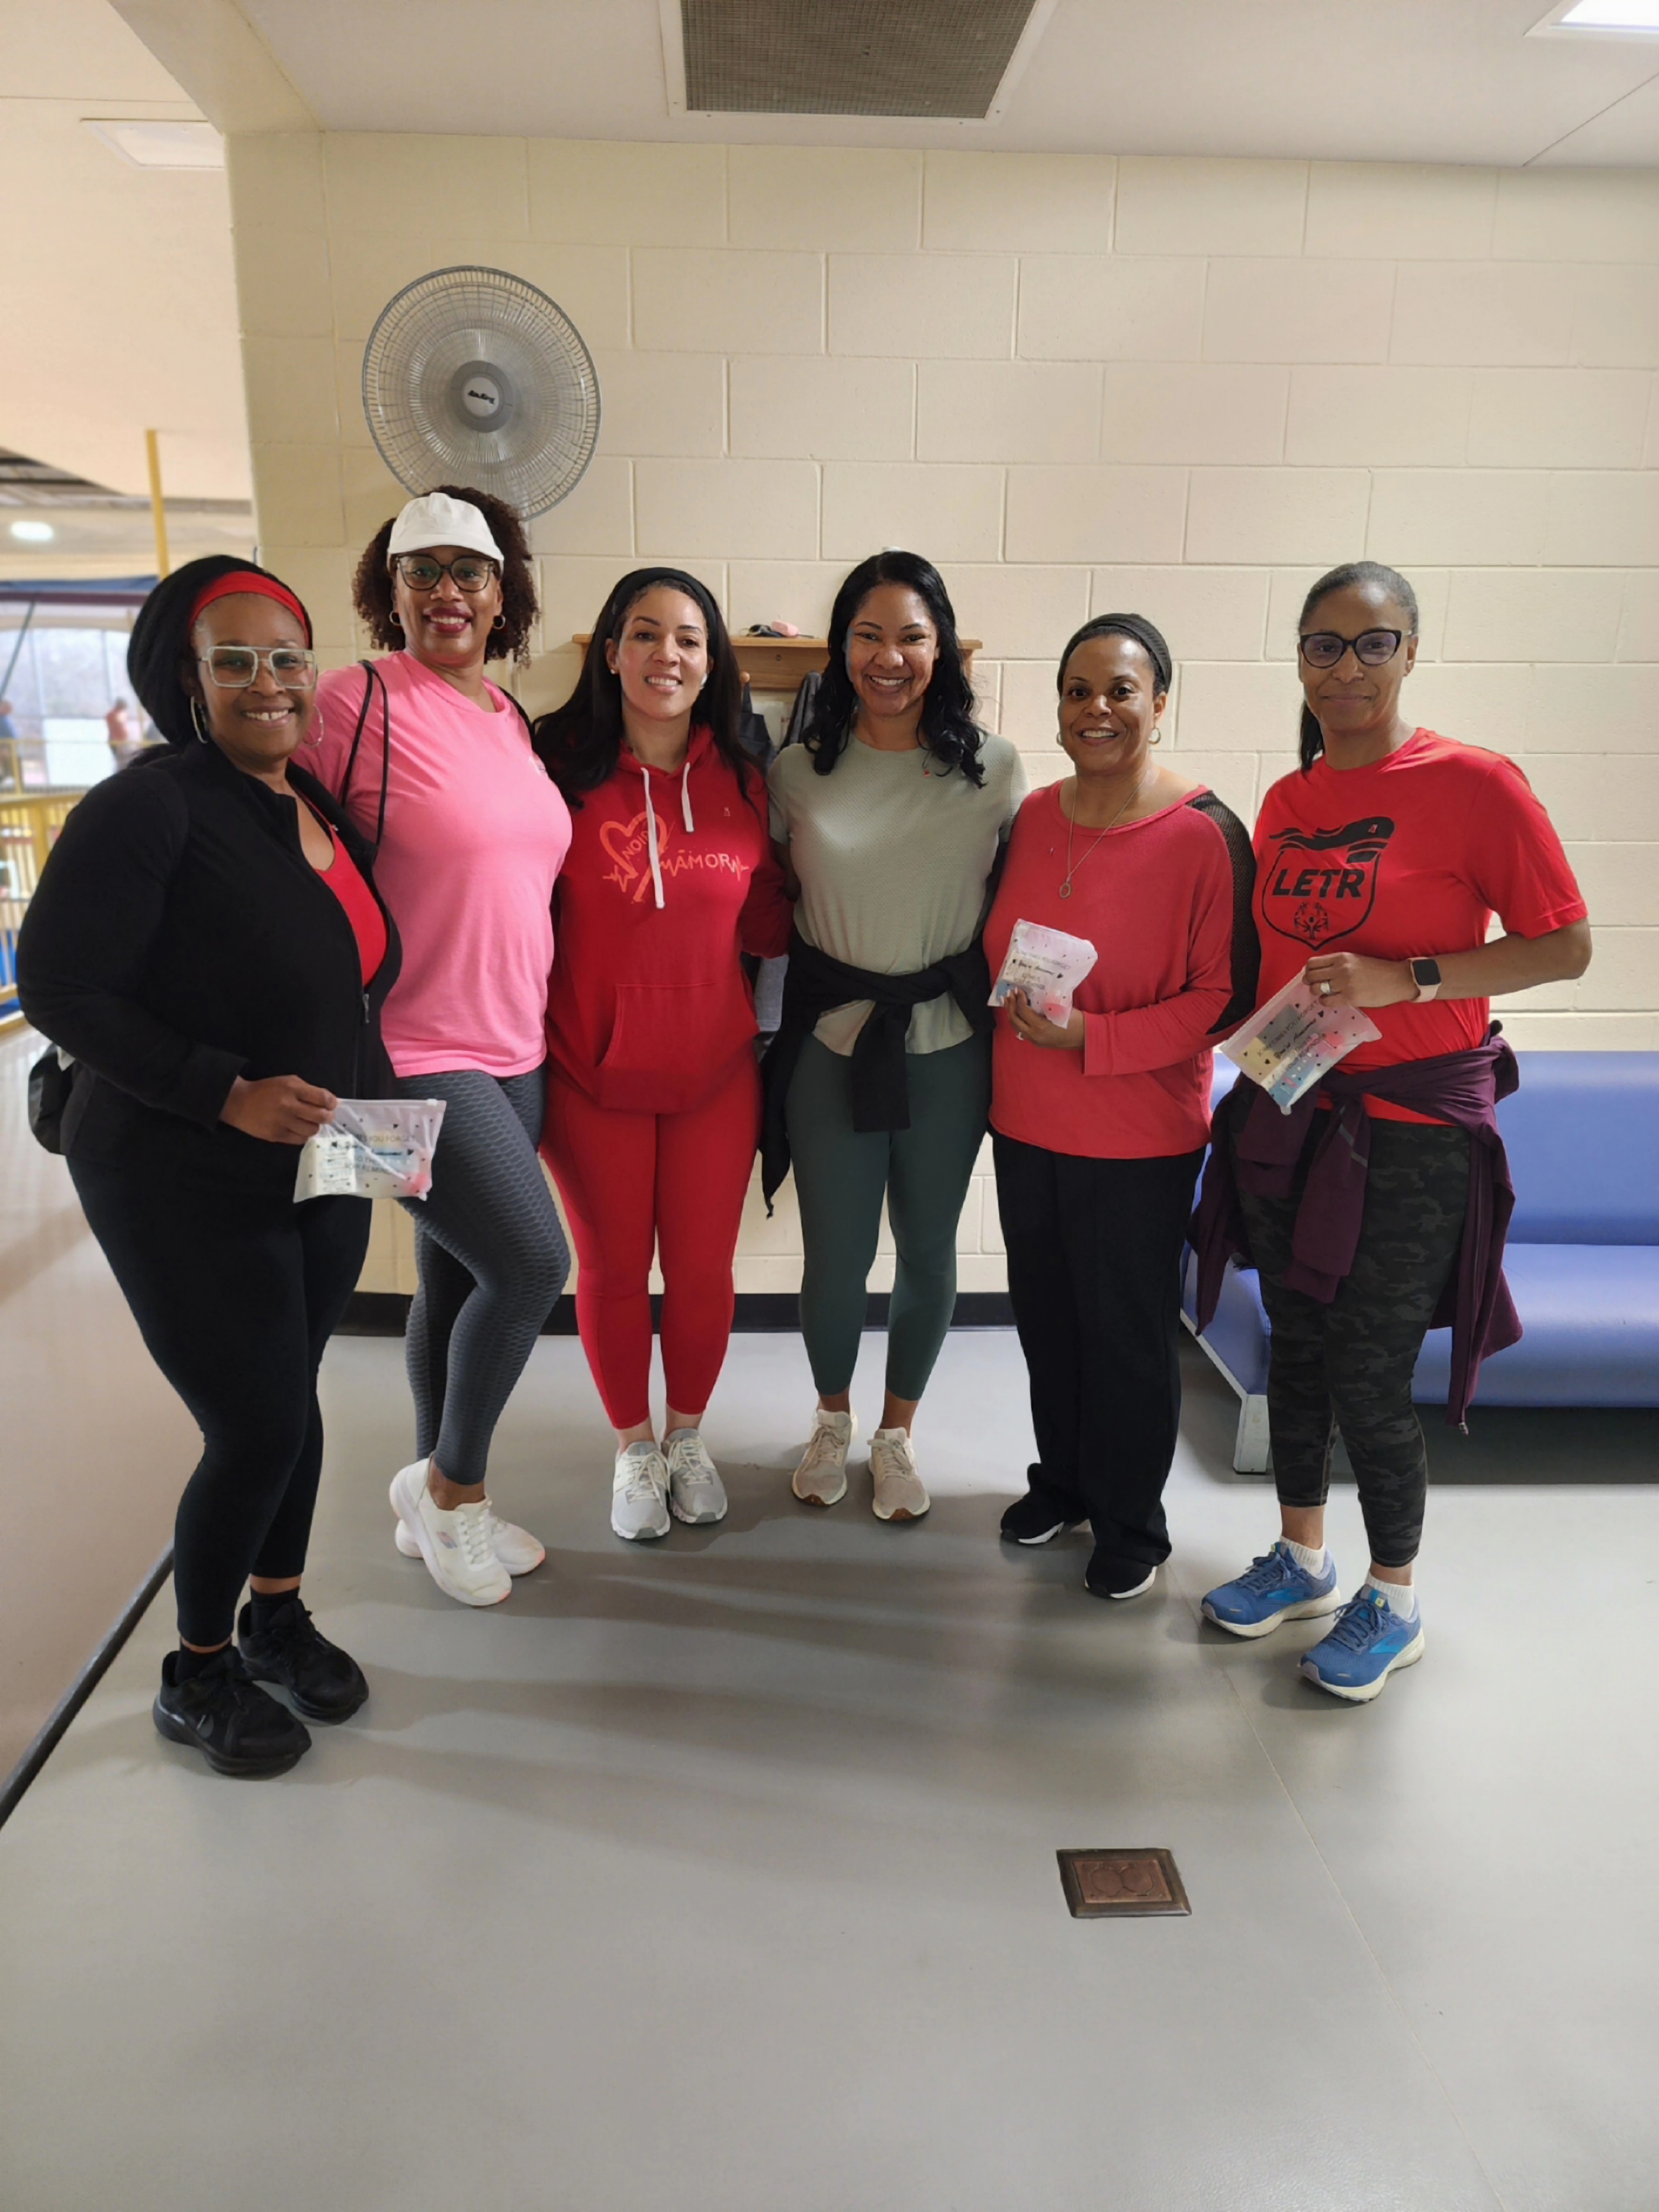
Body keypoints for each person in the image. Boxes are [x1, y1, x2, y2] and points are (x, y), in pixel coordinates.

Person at [17, 556, 400, 1778]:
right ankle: (196, 1669)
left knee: (298, 1394)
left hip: (333, 1147)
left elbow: (346, 977)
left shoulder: (309, 799)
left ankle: (275, 1615)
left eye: (288, 657)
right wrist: (223, 1091)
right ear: (187, 678)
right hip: (177, 1163)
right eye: (233, 660)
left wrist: (382, 1121)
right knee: (256, 1419)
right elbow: (58, 985)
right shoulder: (151, 806)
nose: (268, 681)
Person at [1194, 560, 1591, 1702]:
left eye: (1374, 643)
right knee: (1298, 1348)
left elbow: (1565, 946)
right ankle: (1303, 1558)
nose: (1348, 666)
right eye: (1324, 644)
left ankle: (1396, 1597)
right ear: (1300, 660)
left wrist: (1407, 976)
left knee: (1369, 1370)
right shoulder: (1289, 800)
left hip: (1413, 1130)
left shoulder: (1476, 784)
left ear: (1411, 652)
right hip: (1293, 1108)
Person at [312, 488, 571, 1610]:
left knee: (456, 1273)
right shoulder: (354, 700)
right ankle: (453, 1493)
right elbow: (267, 829)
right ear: (390, 591)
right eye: (422, 571)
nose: (447, 591)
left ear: (502, 592)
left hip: (516, 1049)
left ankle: (427, 1492)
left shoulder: (509, 716)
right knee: (532, 1265)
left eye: (469, 571)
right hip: (405, 1052)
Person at [987, 614, 1257, 1600]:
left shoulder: (1206, 833)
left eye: (1120, 691)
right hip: (1025, 1125)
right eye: (1078, 691)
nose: (1096, 709)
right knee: (1047, 1321)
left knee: (1126, 1335)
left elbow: (1222, 1000)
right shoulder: (1032, 816)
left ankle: (1133, 1523)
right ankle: (1062, 1483)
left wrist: (1092, 1040)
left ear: (1160, 703)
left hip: (1139, 1139)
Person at [763, 551, 1025, 1520]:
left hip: (948, 1047)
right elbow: (767, 901)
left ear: (941, 648)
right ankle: (832, 1418)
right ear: (840, 650)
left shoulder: (993, 769)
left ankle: (897, 1432)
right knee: (835, 1256)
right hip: (831, 1044)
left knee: (928, 1247)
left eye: (911, 636)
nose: (889, 657)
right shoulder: (798, 771)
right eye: (867, 636)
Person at [534, 570, 792, 1540]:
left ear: (712, 662)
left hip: (714, 1075)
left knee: (701, 1272)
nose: (667, 656)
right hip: (587, 1073)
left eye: (689, 639)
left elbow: (767, 924)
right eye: (645, 634)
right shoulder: (553, 770)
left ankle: (685, 1436)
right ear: (611, 652)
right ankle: (633, 1447)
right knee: (609, 1270)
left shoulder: (745, 781)